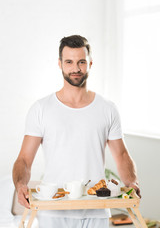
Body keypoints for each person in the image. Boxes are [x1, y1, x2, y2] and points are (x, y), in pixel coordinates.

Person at [12, 35, 141, 228]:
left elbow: (121, 155)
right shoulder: (41, 109)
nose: (76, 69)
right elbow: (24, 159)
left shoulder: (107, 109)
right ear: (60, 64)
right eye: (69, 62)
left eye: (81, 62)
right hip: (53, 212)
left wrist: (131, 182)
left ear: (90, 63)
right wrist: (20, 185)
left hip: (97, 210)